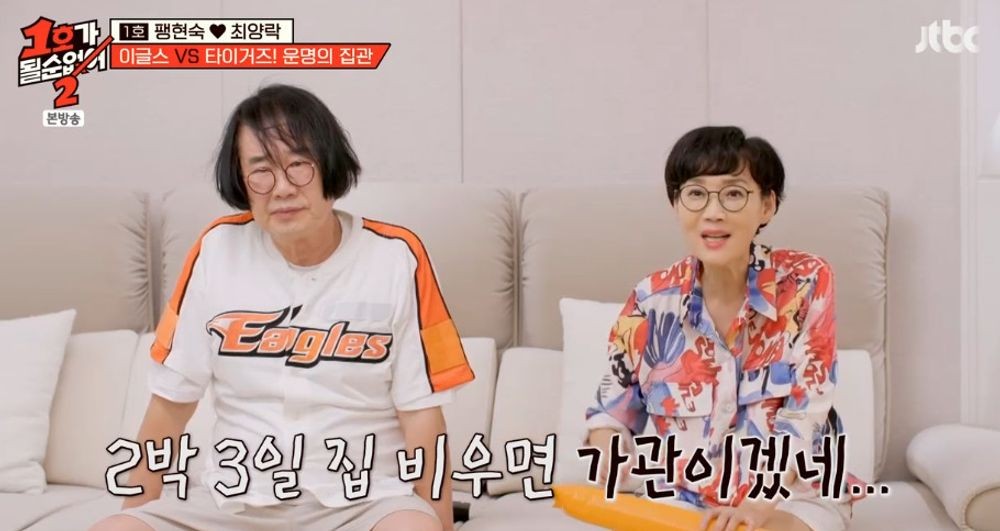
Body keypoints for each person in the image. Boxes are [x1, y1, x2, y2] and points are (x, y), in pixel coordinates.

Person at [91, 84, 474, 531]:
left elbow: (421, 410)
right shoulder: (216, 251)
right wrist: (132, 515)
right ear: (241, 181)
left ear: (329, 166)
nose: (283, 189)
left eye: (298, 166)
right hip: (234, 506)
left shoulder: (397, 257)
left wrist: (438, 523)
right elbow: (171, 402)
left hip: (364, 503)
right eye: (261, 171)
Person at [584, 126, 863, 531]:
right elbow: (612, 411)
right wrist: (609, 449)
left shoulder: (806, 282)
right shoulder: (649, 300)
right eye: (696, 194)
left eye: (733, 194)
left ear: (767, 205)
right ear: (676, 204)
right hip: (684, 497)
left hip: (791, 496)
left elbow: (807, 410)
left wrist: (756, 505)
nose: (713, 212)